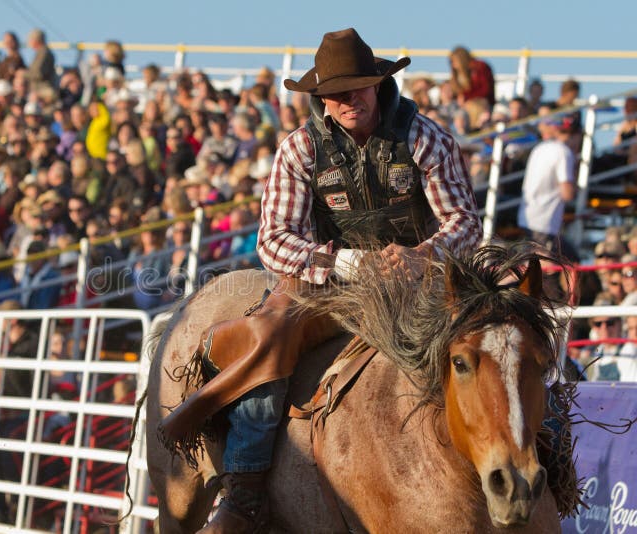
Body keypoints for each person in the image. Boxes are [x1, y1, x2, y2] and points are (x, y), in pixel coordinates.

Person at [159, 28, 482, 532]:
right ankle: (244, 490)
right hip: (333, 281)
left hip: (421, 279)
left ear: (377, 85)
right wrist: (346, 263)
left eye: (357, 87)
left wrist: (423, 256)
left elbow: (463, 221)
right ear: (322, 100)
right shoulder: (300, 149)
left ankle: (542, 454)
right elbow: (273, 240)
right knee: (270, 335)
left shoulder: (424, 137)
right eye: (336, 92)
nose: (348, 99)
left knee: (504, 325)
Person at [517, 109, 576, 257]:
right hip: (545, 221)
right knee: (561, 265)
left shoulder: (539, 149)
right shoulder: (563, 152)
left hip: (528, 218)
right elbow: (567, 193)